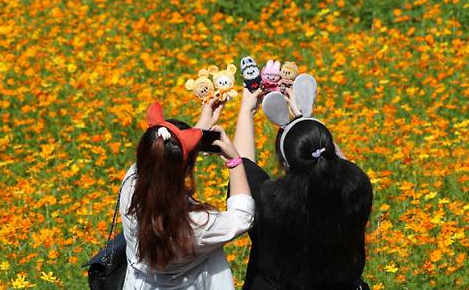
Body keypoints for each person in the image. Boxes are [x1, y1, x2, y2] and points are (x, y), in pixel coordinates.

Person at [232, 87, 373, 290]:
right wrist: (306, 122)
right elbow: (342, 166)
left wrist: (246, 110)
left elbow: (243, 167)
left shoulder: (270, 201)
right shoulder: (356, 190)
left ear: (286, 163)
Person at [119, 98, 254, 289]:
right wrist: (235, 162)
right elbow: (242, 217)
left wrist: (201, 126)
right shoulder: (196, 224)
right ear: (187, 168)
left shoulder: (130, 185)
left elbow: (160, 158)